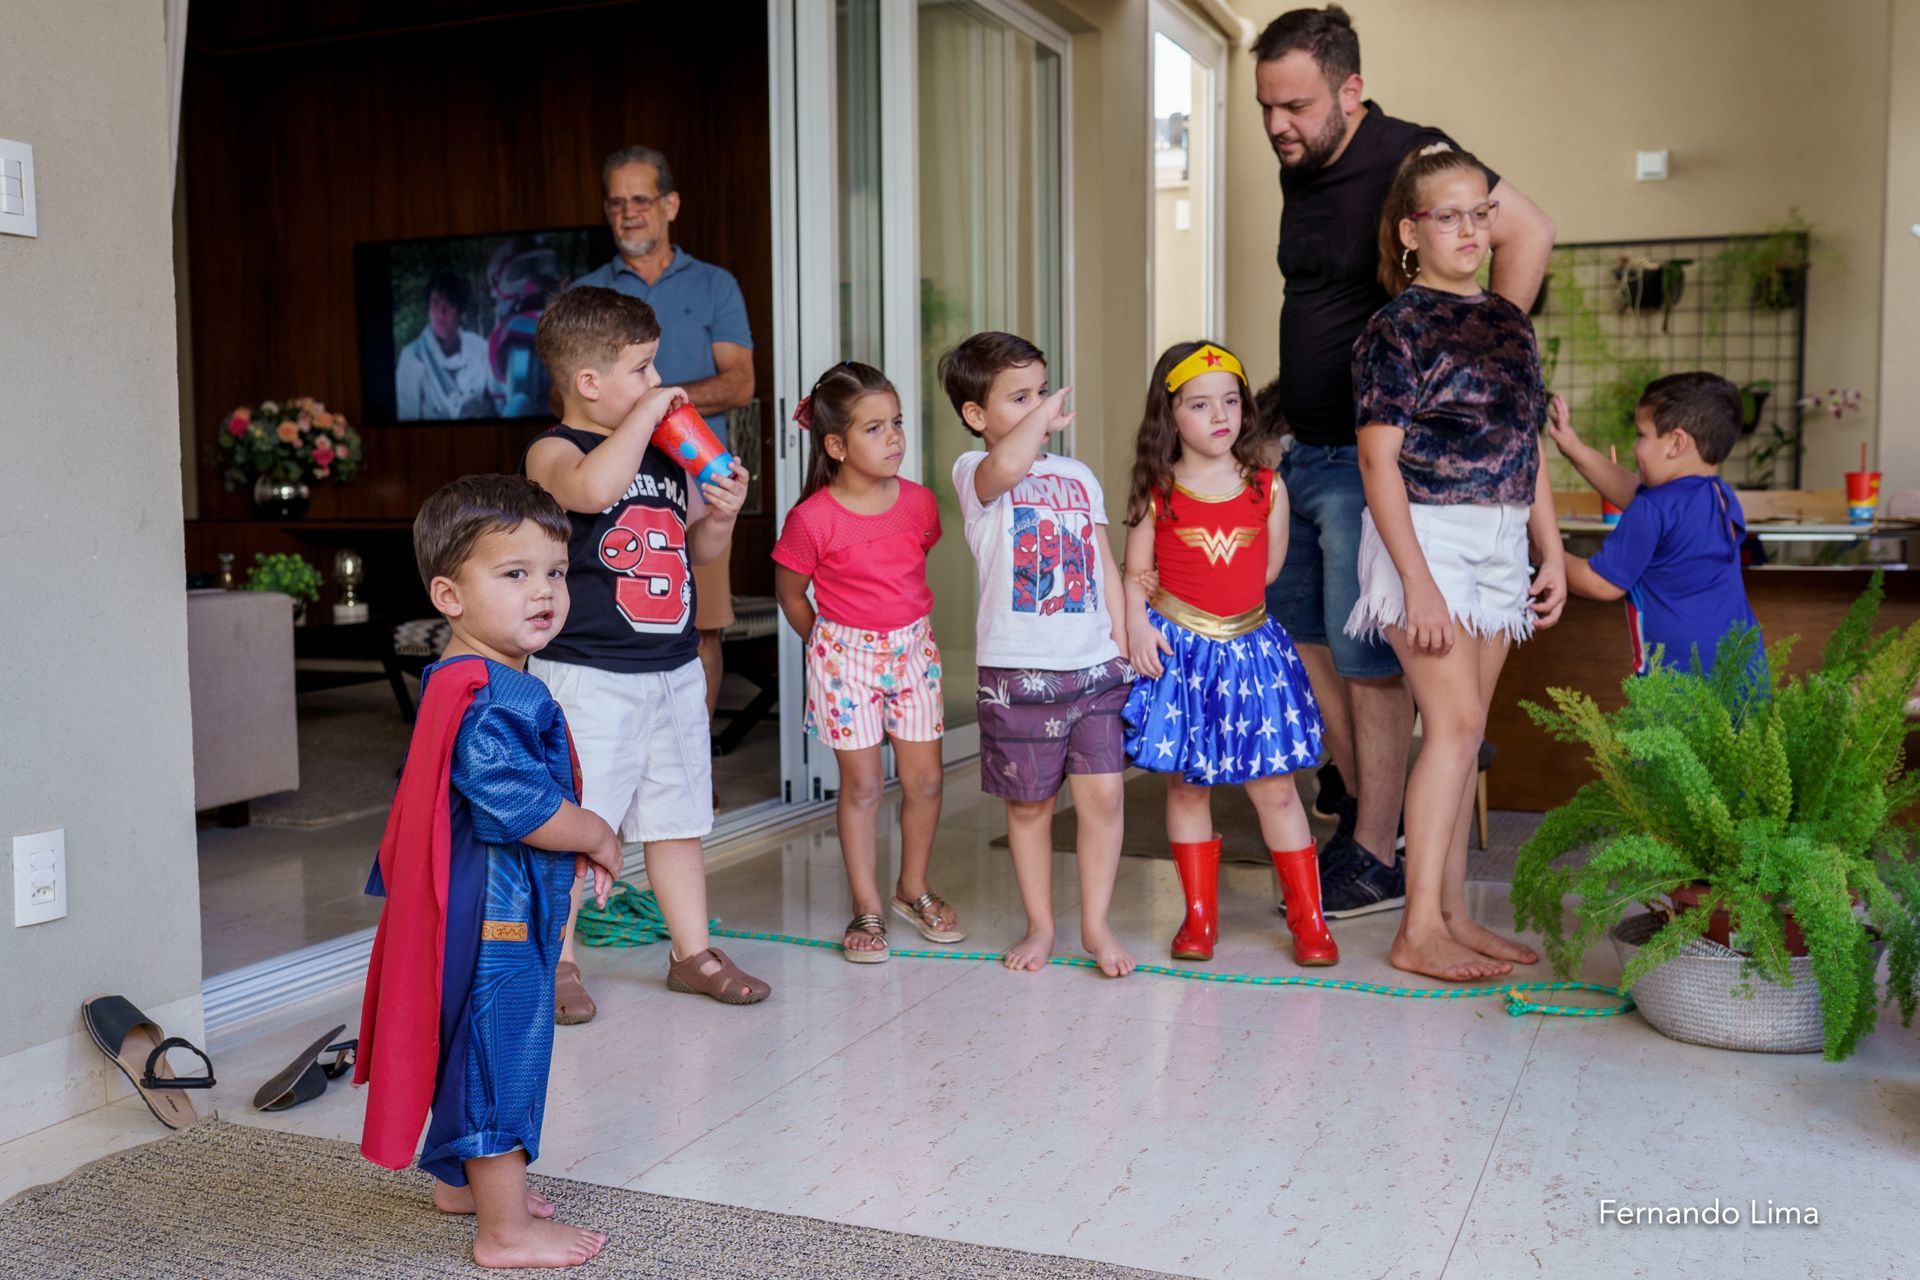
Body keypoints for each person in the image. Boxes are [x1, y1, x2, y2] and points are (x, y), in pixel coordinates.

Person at [1253, 4, 1555, 917]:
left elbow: (1527, 230)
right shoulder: (1304, 167)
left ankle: (1375, 852)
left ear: (1351, 90)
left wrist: (1477, 347)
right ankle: (1363, 812)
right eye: (1267, 106)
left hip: (1373, 458)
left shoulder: (1410, 155)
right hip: (1304, 449)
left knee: (1370, 659)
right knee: (1303, 635)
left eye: (1297, 105)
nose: (1279, 125)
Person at [355, 474, 622, 1269]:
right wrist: (598, 833)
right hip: (494, 923)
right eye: (514, 575)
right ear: (449, 595)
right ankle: (504, 1232)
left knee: (476, 1047)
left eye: (554, 572)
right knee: (500, 1052)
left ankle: (460, 1182)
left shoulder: (485, 677)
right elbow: (521, 807)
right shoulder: (486, 698)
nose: (543, 591)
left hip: (498, 907)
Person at [1345, 144, 1565, 982]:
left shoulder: (1510, 320)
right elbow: (1376, 465)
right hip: (1424, 537)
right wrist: (1419, 584)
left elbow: (1527, 441)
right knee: (1452, 727)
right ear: (1411, 231)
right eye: (1449, 216)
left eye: (1483, 213)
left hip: (1503, 534)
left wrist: (1551, 545)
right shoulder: (1394, 329)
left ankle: (1453, 915)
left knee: (1468, 734)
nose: (1471, 229)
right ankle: (1414, 929)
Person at [523, 286, 770, 1018]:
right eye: (642, 370)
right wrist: (645, 421)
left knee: (676, 817)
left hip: (669, 667)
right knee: (579, 822)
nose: (660, 386)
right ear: (588, 383)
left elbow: (697, 548)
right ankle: (558, 960)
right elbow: (594, 491)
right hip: (588, 675)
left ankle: (691, 951)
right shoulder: (554, 451)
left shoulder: (659, 458)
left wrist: (719, 514)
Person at [1121, 340, 1338, 968]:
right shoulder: (1154, 491)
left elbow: (1267, 573)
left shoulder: (1268, 488)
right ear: (1171, 416)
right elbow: (1136, 574)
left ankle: (1310, 920)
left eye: (1230, 402)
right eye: (1199, 404)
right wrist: (1138, 625)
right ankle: (1198, 919)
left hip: (1250, 652)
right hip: (1180, 655)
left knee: (1275, 789)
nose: (1220, 417)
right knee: (1188, 788)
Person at [939, 331, 1136, 978]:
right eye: (1018, 397)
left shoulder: (1076, 475)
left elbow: (1104, 562)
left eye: (1042, 392)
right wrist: (1034, 424)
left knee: (1105, 795)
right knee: (1029, 806)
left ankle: (1096, 926)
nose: (1041, 408)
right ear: (976, 416)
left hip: (1093, 667)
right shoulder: (974, 475)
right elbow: (1005, 467)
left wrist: (1125, 639)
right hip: (1019, 674)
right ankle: (1041, 926)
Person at [772, 361, 963, 963]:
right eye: (875, 428)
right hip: (843, 658)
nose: (895, 438)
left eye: (897, 423)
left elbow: (912, 559)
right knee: (861, 786)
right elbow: (790, 594)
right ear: (836, 445)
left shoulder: (918, 503)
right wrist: (827, 646)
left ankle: (913, 889)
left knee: (926, 780)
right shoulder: (812, 518)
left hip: (913, 651)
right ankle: (867, 907)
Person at [574, 144, 755, 722]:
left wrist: (658, 405)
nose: (628, 212)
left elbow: (739, 384)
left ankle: (697, 766)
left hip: (697, 471)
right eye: (616, 202)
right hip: (610, 475)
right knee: (618, 617)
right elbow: (569, 393)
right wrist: (647, 413)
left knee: (701, 624)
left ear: (670, 204)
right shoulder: (588, 295)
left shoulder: (714, 285)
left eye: (642, 199)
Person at [1548, 372, 1762, 676]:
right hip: (1742, 668)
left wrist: (1544, 554)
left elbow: (1600, 583)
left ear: (1676, 443)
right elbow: (1628, 490)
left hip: (1677, 685)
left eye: (1641, 435)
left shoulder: (1653, 507)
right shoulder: (1720, 496)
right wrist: (1575, 449)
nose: (1635, 447)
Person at [395, 270, 495, 420]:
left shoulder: (480, 347)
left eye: (449, 304)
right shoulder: (413, 356)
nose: (441, 313)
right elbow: (407, 419)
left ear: (460, 311)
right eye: (435, 303)